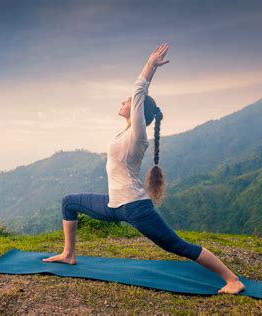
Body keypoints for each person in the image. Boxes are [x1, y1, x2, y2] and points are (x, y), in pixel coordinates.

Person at [42, 43, 245, 295]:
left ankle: (232, 280)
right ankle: (69, 254)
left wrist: (150, 66)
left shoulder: (138, 134)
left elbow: (139, 90)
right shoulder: (124, 132)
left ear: (138, 112)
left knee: (177, 245)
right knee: (68, 202)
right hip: (114, 205)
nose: (124, 101)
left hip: (135, 207)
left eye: (128, 101)